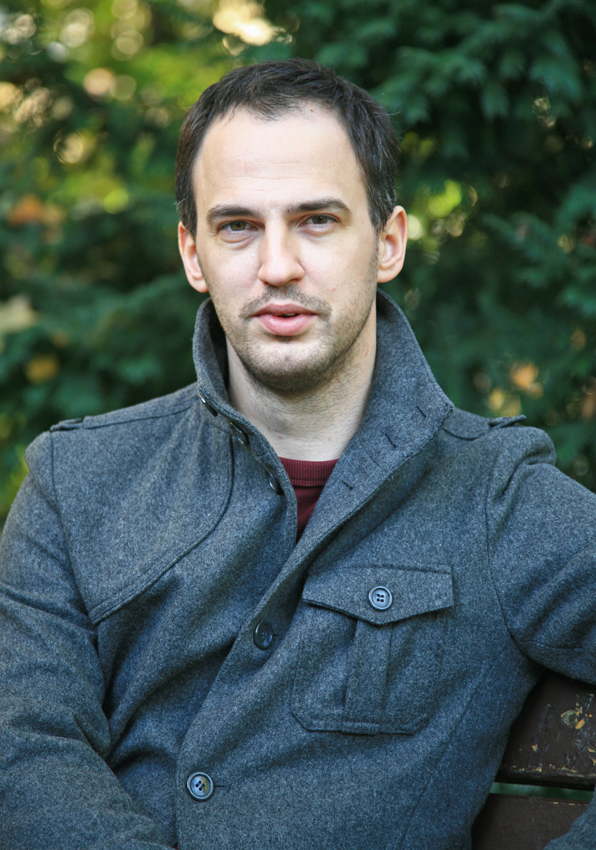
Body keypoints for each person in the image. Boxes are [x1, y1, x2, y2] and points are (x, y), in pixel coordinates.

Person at [0, 58, 595, 850]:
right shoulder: (76, 484)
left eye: (317, 220)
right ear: (192, 254)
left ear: (387, 243)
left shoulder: (496, 499)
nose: (277, 266)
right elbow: (25, 748)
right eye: (237, 226)